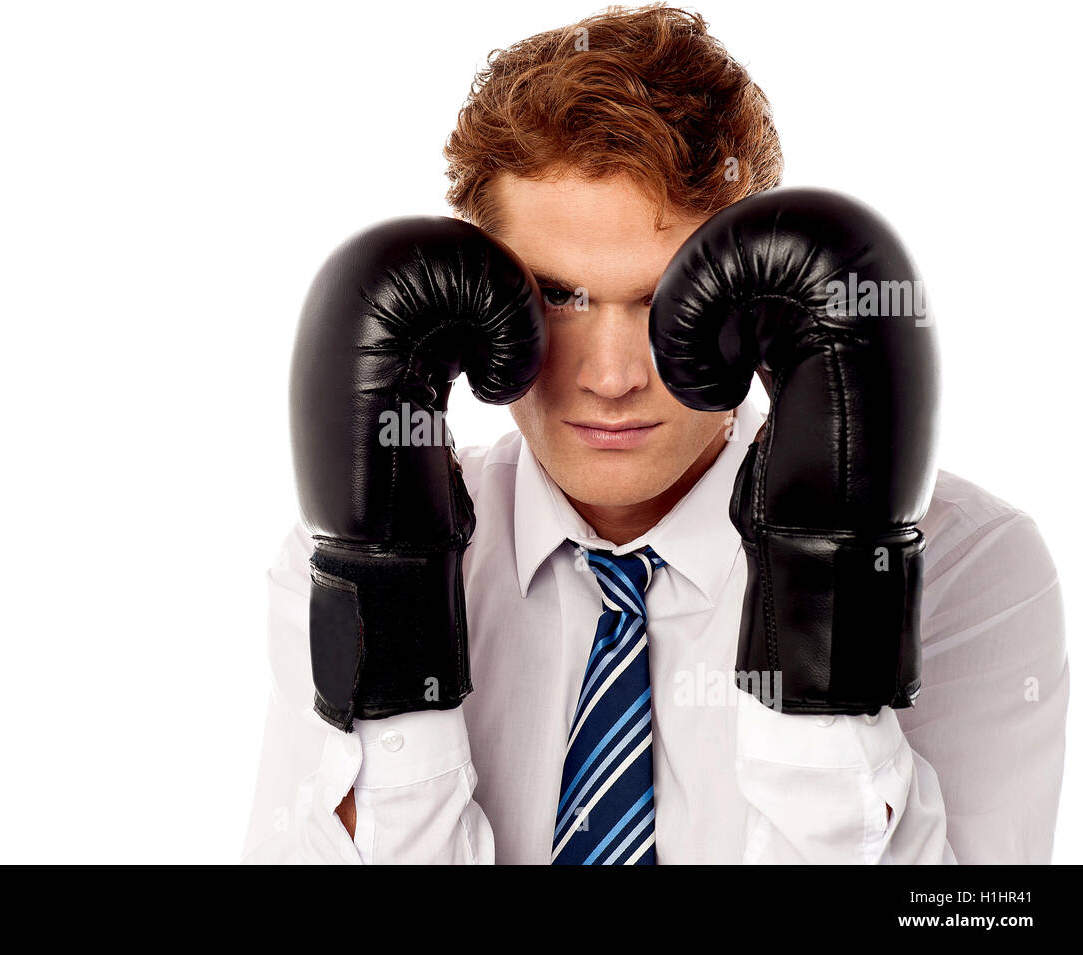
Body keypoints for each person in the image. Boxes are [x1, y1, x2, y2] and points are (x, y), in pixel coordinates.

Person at [240, 4, 1067, 864]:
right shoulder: (335, 560)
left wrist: (832, 602)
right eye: (558, 295)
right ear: (471, 302)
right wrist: (391, 604)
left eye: (668, 297)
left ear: (758, 294)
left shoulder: (968, 562)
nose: (611, 376)